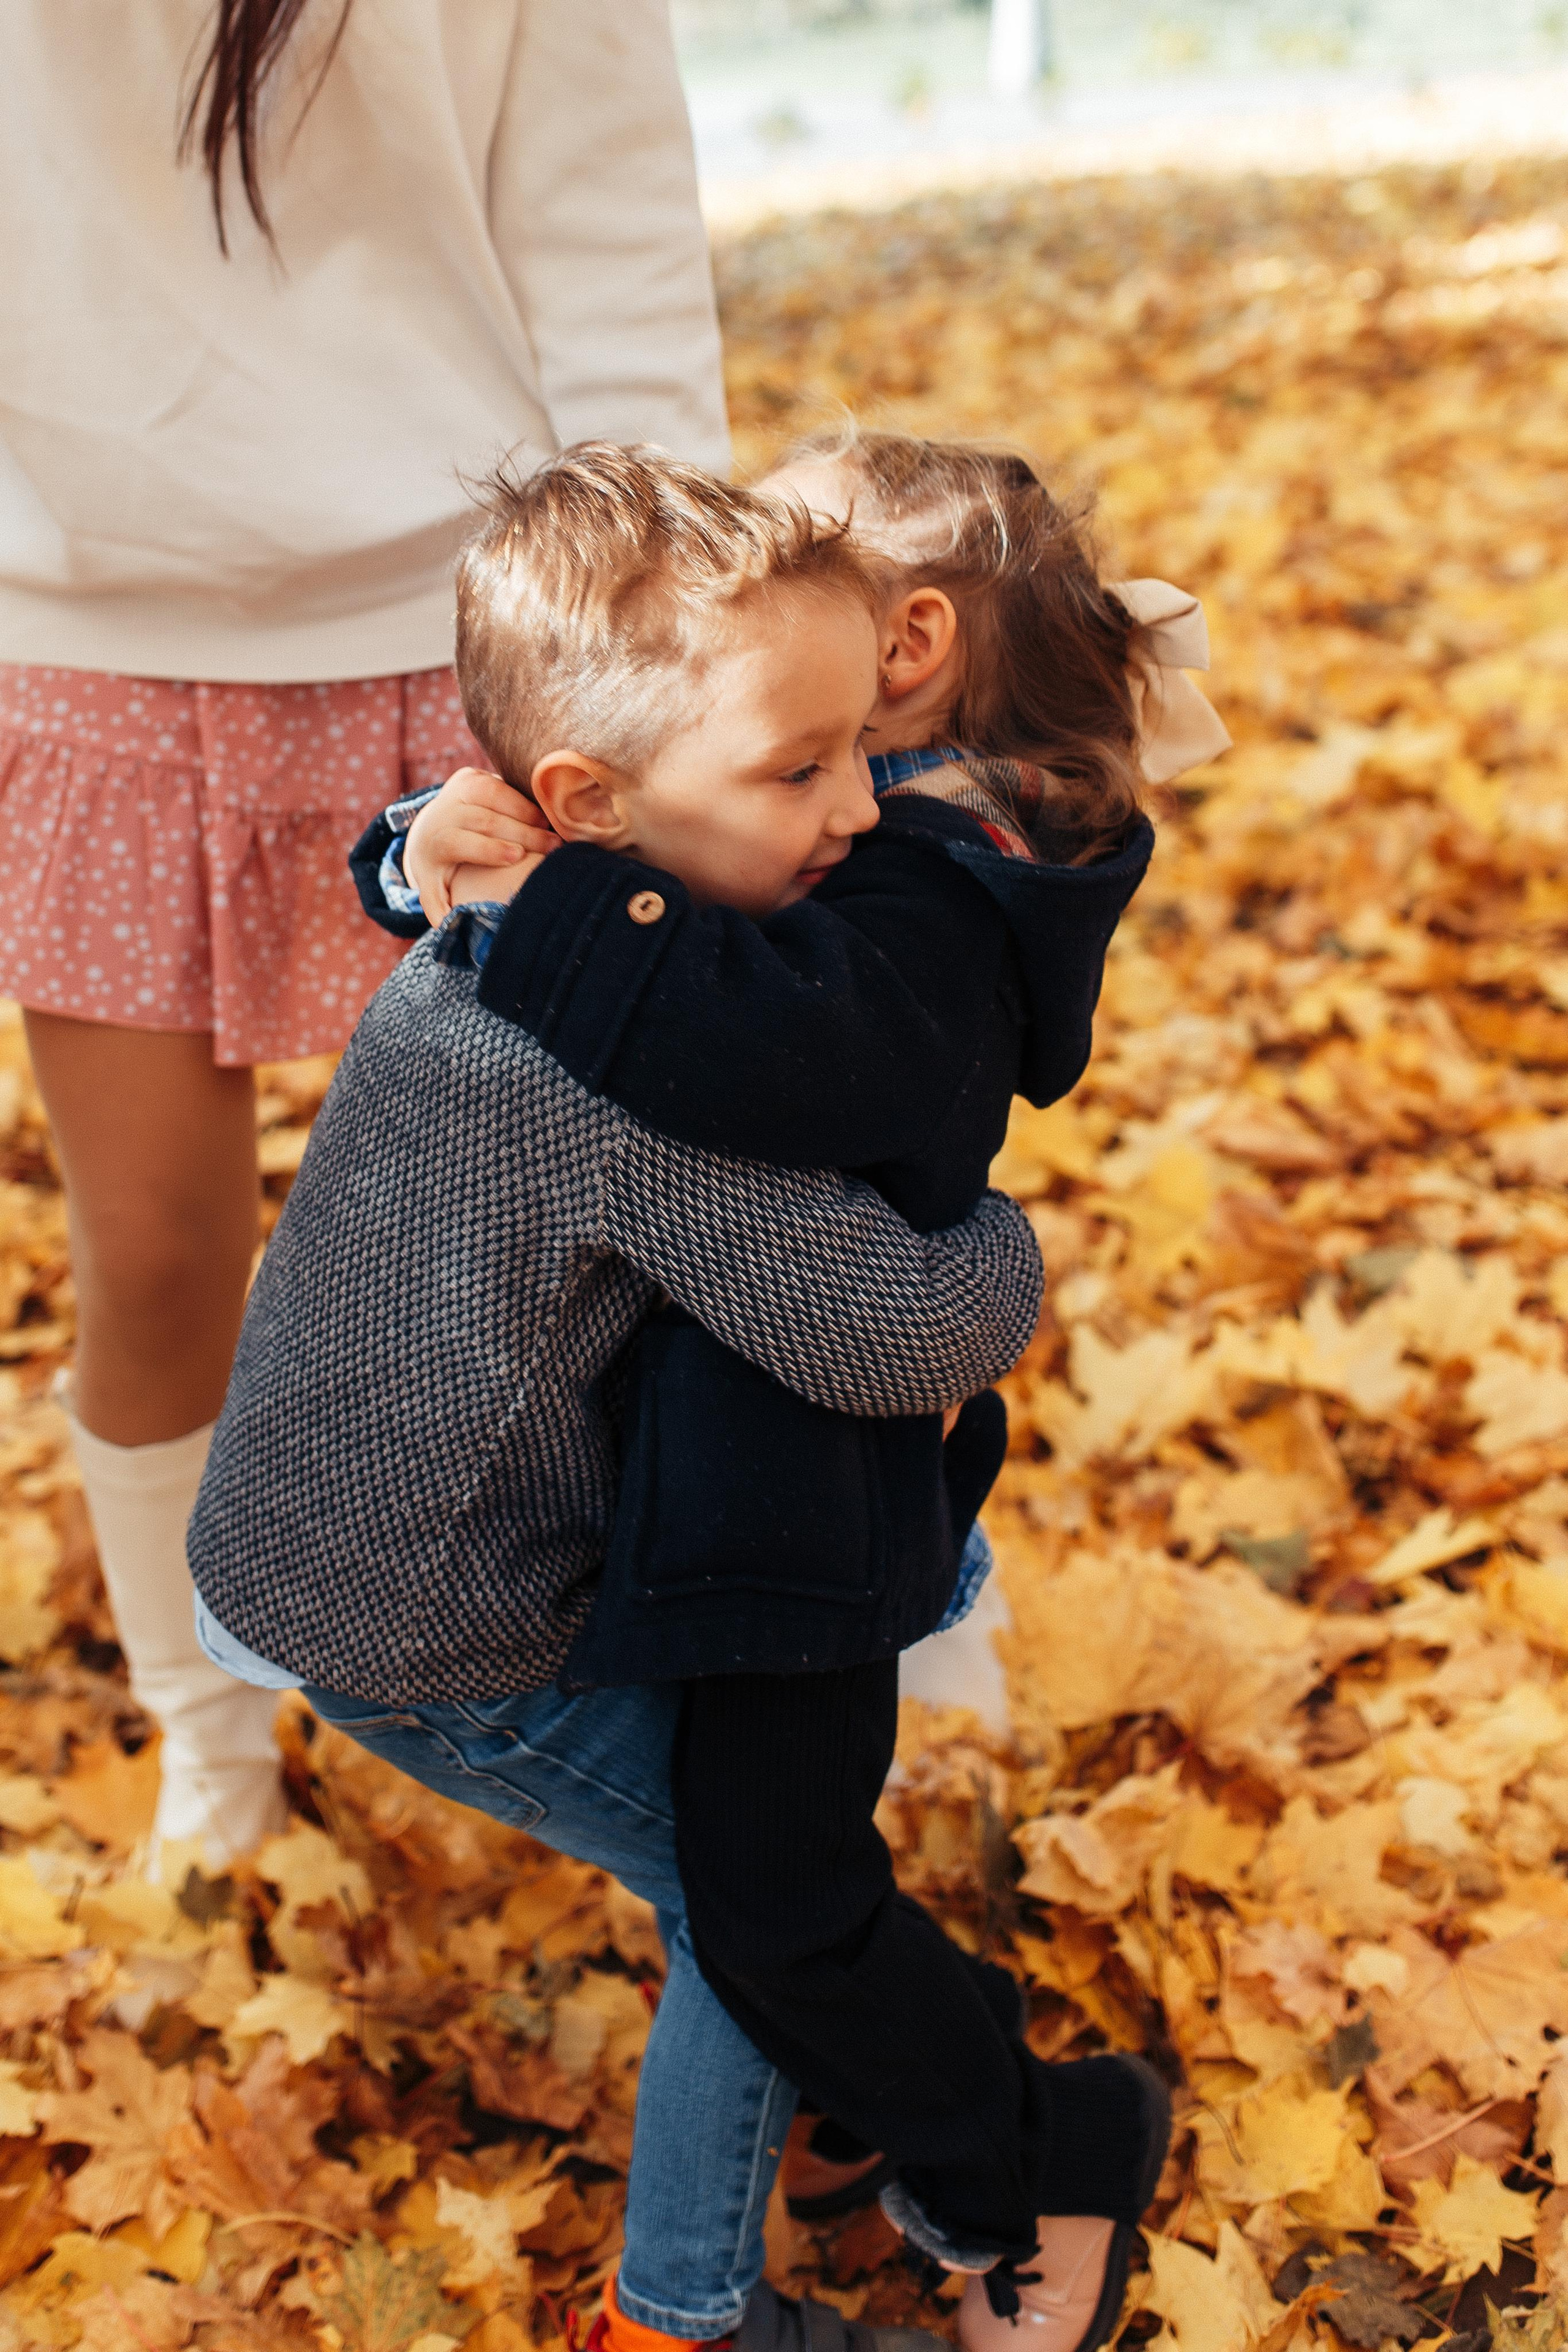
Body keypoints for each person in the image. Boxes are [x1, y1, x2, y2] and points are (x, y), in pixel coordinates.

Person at [189, 445, 1044, 2352]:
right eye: (799, 770)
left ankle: (814, 2137)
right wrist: (1007, 1245)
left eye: (863, 755)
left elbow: (434, 854)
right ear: (587, 806)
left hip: (323, 1534)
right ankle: (685, 2312)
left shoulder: (524, 918)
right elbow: (888, 1334)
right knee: (761, 1910)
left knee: (770, 1854)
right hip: (428, 1622)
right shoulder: (633, 1070)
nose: (856, 812)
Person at [387, 428, 1229, 2352]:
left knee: (773, 1901)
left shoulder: (940, 901)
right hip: (695, 1455)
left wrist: (568, 906)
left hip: (799, 1504)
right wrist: (432, 853)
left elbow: (778, 1055)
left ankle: (1041, 2149)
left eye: (801, 552)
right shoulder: (826, 820)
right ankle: (843, 2113)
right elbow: (626, 865)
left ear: (906, 641)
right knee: (743, 1861)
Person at [0, 0, 728, 1864]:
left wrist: (686, 661)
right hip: (77, 623)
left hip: (475, 619)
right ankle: (211, 1751)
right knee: (158, 1251)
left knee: (636, 1220)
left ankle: (858, 1647)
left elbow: (610, 223)